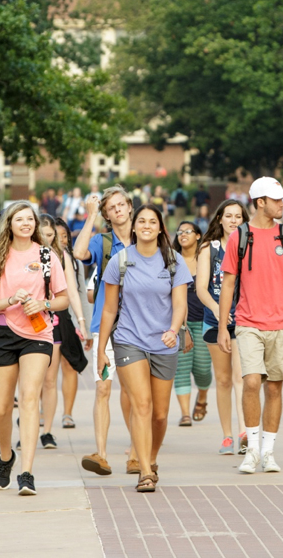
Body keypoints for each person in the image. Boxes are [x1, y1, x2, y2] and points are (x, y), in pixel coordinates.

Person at [217, 177, 283, 474]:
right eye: (276, 199)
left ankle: (268, 451)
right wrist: (222, 327)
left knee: (274, 387)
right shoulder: (240, 236)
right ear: (260, 202)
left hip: (282, 323)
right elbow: (228, 283)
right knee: (250, 382)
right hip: (248, 322)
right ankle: (252, 450)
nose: (282, 204)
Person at [0, 201, 70, 495]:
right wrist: (9, 300)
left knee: (29, 399)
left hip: (38, 334)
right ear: (9, 224)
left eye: (30, 219)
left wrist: (43, 303)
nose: (26, 224)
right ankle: (6, 457)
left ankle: (27, 473)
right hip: (2, 332)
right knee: (2, 408)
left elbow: (63, 299)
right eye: (20, 219)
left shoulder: (47, 255)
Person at [97, 204, 191, 492]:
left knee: (160, 415)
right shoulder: (120, 261)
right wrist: (101, 349)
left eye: (153, 221)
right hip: (129, 340)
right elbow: (109, 309)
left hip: (164, 342)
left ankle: (151, 457)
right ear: (134, 226)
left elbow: (180, 304)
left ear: (161, 228)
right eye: (142, 221)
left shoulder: (174, 261)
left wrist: (173, 330)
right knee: (142, 405)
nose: (147, 225)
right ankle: (145, 472)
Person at [73, 186, 136, 477]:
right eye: (111, 208)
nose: (118, 210)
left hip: (139, 326)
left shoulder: (146, 237)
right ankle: (101, 454)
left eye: (121, 204)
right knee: (103, 387)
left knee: (135, 392)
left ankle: (137, 453)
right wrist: (91, 216)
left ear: (130, 206)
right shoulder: (103, 242)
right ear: (107, 215)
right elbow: (78, 252)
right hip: (105, 325)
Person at [196, 200, 248, 455]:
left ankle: (244, 433)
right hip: (214, 320)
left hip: (243, 320)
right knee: (224, 379)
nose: (233, 220)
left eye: (238, 216)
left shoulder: (248, 246)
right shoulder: (209, 248)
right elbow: (201, 288)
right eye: (229, 215)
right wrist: (219, 311)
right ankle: (227, 436)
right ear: (219, 219)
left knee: (240, 377)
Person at [38, 215, 90, 447]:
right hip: (24, 323)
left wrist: (82, 322)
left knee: (50, 379)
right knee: (30, 381)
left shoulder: (61, 257)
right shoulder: (19, 254)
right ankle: (26, 426)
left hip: (55, 321)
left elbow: (73, 292)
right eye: (44, 235)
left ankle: (47, 431)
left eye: (52, 235)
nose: (49, 239)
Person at [54, 218, 92, 429]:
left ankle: (67, 413)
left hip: (70, 320)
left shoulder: (74, 261)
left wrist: (86, 328)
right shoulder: (39, 259)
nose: (61, 240)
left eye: (65, 236)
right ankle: (42, 409)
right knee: (46, 370)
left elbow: (80, 293)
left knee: (69, 365)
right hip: (47, 320)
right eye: (55, 235)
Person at [172, 221, 210, 427]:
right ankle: (185, 413)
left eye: (188, 231)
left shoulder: (206, 259)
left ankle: (202, 397)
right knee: (182, 369)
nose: (183, 234)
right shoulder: (172, 261)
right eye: (180, 232)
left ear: (197, 235)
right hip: (179, 323)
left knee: (203, 369)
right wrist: (181, 327)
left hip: (205, 322)